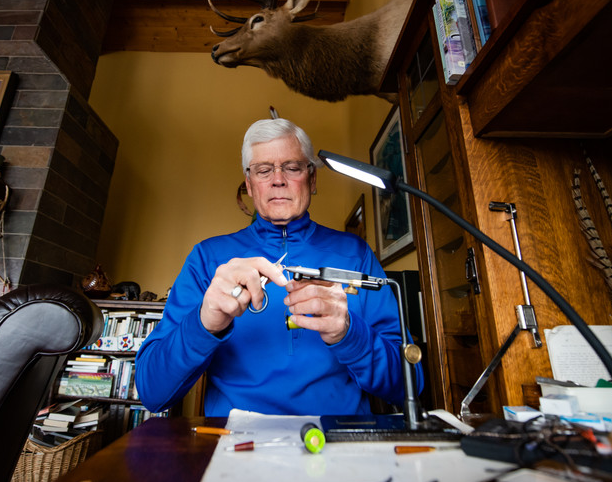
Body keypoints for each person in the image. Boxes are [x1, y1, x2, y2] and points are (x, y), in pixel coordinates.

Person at [134, 118, 422, 417]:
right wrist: (203, 323)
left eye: (292, 167)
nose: (278, 179)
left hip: (337, 441)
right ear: (249, 184)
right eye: (263, 170)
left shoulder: (356, 253)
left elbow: (412, 383)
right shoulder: (207, 258)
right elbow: (152, 394)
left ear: (312, 179)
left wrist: (349, 333)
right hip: (237, 446)